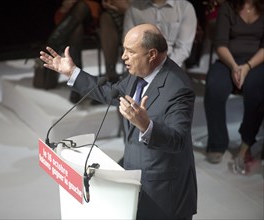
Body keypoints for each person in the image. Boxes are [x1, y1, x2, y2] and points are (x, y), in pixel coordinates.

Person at [40, 23, 197, 220]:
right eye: (124, 50)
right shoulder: (137, 75)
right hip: (134, 178)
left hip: (163, 194)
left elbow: (178, 140)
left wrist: (146, 126)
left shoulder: (178, 88)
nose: (123, 57)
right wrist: (72, 72)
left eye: (130, 52)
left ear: (152, 54)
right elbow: (111, 93)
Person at [204, 0, 264, 172]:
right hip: (228, 60)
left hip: (256, 63)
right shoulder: (228, 7)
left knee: (256, 89)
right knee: (214, 86)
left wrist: (247, 67)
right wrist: (234, 67)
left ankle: (246, 143)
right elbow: (220, 44)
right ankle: (217, 144)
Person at [33, 0, 130, 104]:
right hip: (80, 16)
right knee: (76, 29)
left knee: (84, 7)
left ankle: (52, 46)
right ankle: (76, 77)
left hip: (102, 13)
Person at [123, 0, 197, 67]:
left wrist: (162, 68)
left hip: (172, 65)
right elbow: (128, 44)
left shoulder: (185, 8)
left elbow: (183, 48)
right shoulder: (134, 8)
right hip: (141, 64)